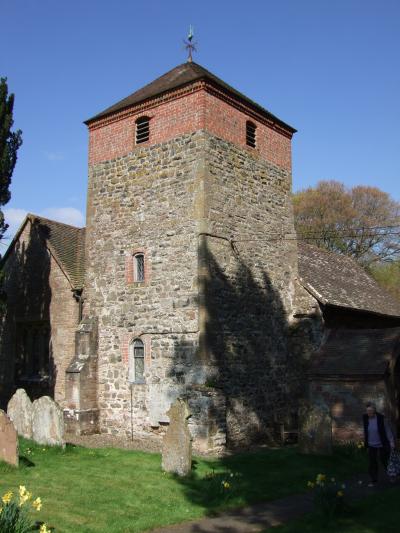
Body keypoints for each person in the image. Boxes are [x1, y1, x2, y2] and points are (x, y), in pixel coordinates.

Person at [363, 402, 395, 486]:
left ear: (374, 410)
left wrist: (391, 442)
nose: (369, 413)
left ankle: (392, 475)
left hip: (382, 444)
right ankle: (373, 480)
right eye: (367, 411)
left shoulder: (381, 418)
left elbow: (388, 431)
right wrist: (366, 445)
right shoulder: (365, 418)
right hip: (371, 445)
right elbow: (366, 431)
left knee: (385, 460)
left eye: (370, 411)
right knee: (372, 463)